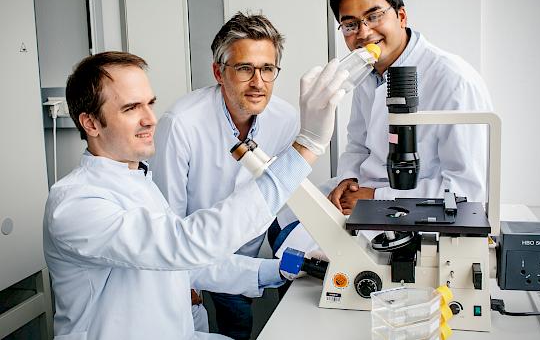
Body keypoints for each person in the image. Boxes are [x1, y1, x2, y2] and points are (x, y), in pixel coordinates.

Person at [43, 51, 348, 339]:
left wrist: (283, 267)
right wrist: (306, 147)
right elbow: (184, 245)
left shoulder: (137, 178)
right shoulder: (75, 204)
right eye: (131, 108)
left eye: (149, 103)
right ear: (91, 123)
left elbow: (189, 265)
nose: (150, 119)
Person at [273, 0, 493, 257]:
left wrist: (377, 198)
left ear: (401, 16)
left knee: (301, 254)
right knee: (280, 224)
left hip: (411, 209)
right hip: (364, 194)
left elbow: (467, 190)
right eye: (350, 24)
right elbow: (357, 144)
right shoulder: (368, 72)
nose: (364, 33)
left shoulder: (453, 80)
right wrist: (347, 180)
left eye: (374, 17)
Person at [149, 12, 297, 339]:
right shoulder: (181, 123)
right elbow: (167, 216)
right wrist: (180, 279)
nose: (258, 82)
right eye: (245, 68)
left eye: (267, 69)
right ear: (219, 72)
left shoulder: (286, 119)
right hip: (197, 247)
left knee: (241, 321)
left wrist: (303, 251)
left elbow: (285, 200)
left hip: (249, 242)